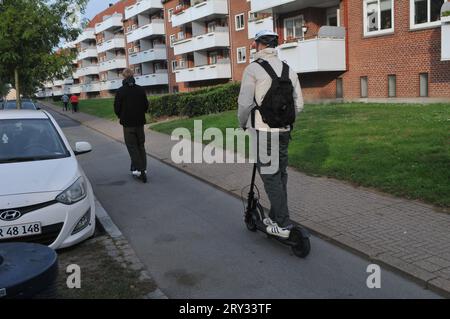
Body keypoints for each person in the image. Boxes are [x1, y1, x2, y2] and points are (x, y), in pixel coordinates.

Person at [238, 30, 304, 239]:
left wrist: (242, 123)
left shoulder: (253, 70)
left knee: (270, 176)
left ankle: (283, 224)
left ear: (258, 45)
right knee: (280, 174)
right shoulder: (288, 69)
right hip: (284, 132)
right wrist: (283, 120)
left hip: (263, 132)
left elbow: (245, 104)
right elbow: (299, 104)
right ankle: (275, 217)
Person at [114, 68, 149, 183]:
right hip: (139, 123)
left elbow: (117, 108)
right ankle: (141, 168)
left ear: (123, 77)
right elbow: (146, 106)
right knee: (141, 146)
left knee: (132, 147)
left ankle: (140, 169)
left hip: (128, 124)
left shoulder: (120, 91)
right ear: (133, 76)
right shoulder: (140, 89)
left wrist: (121, 116)